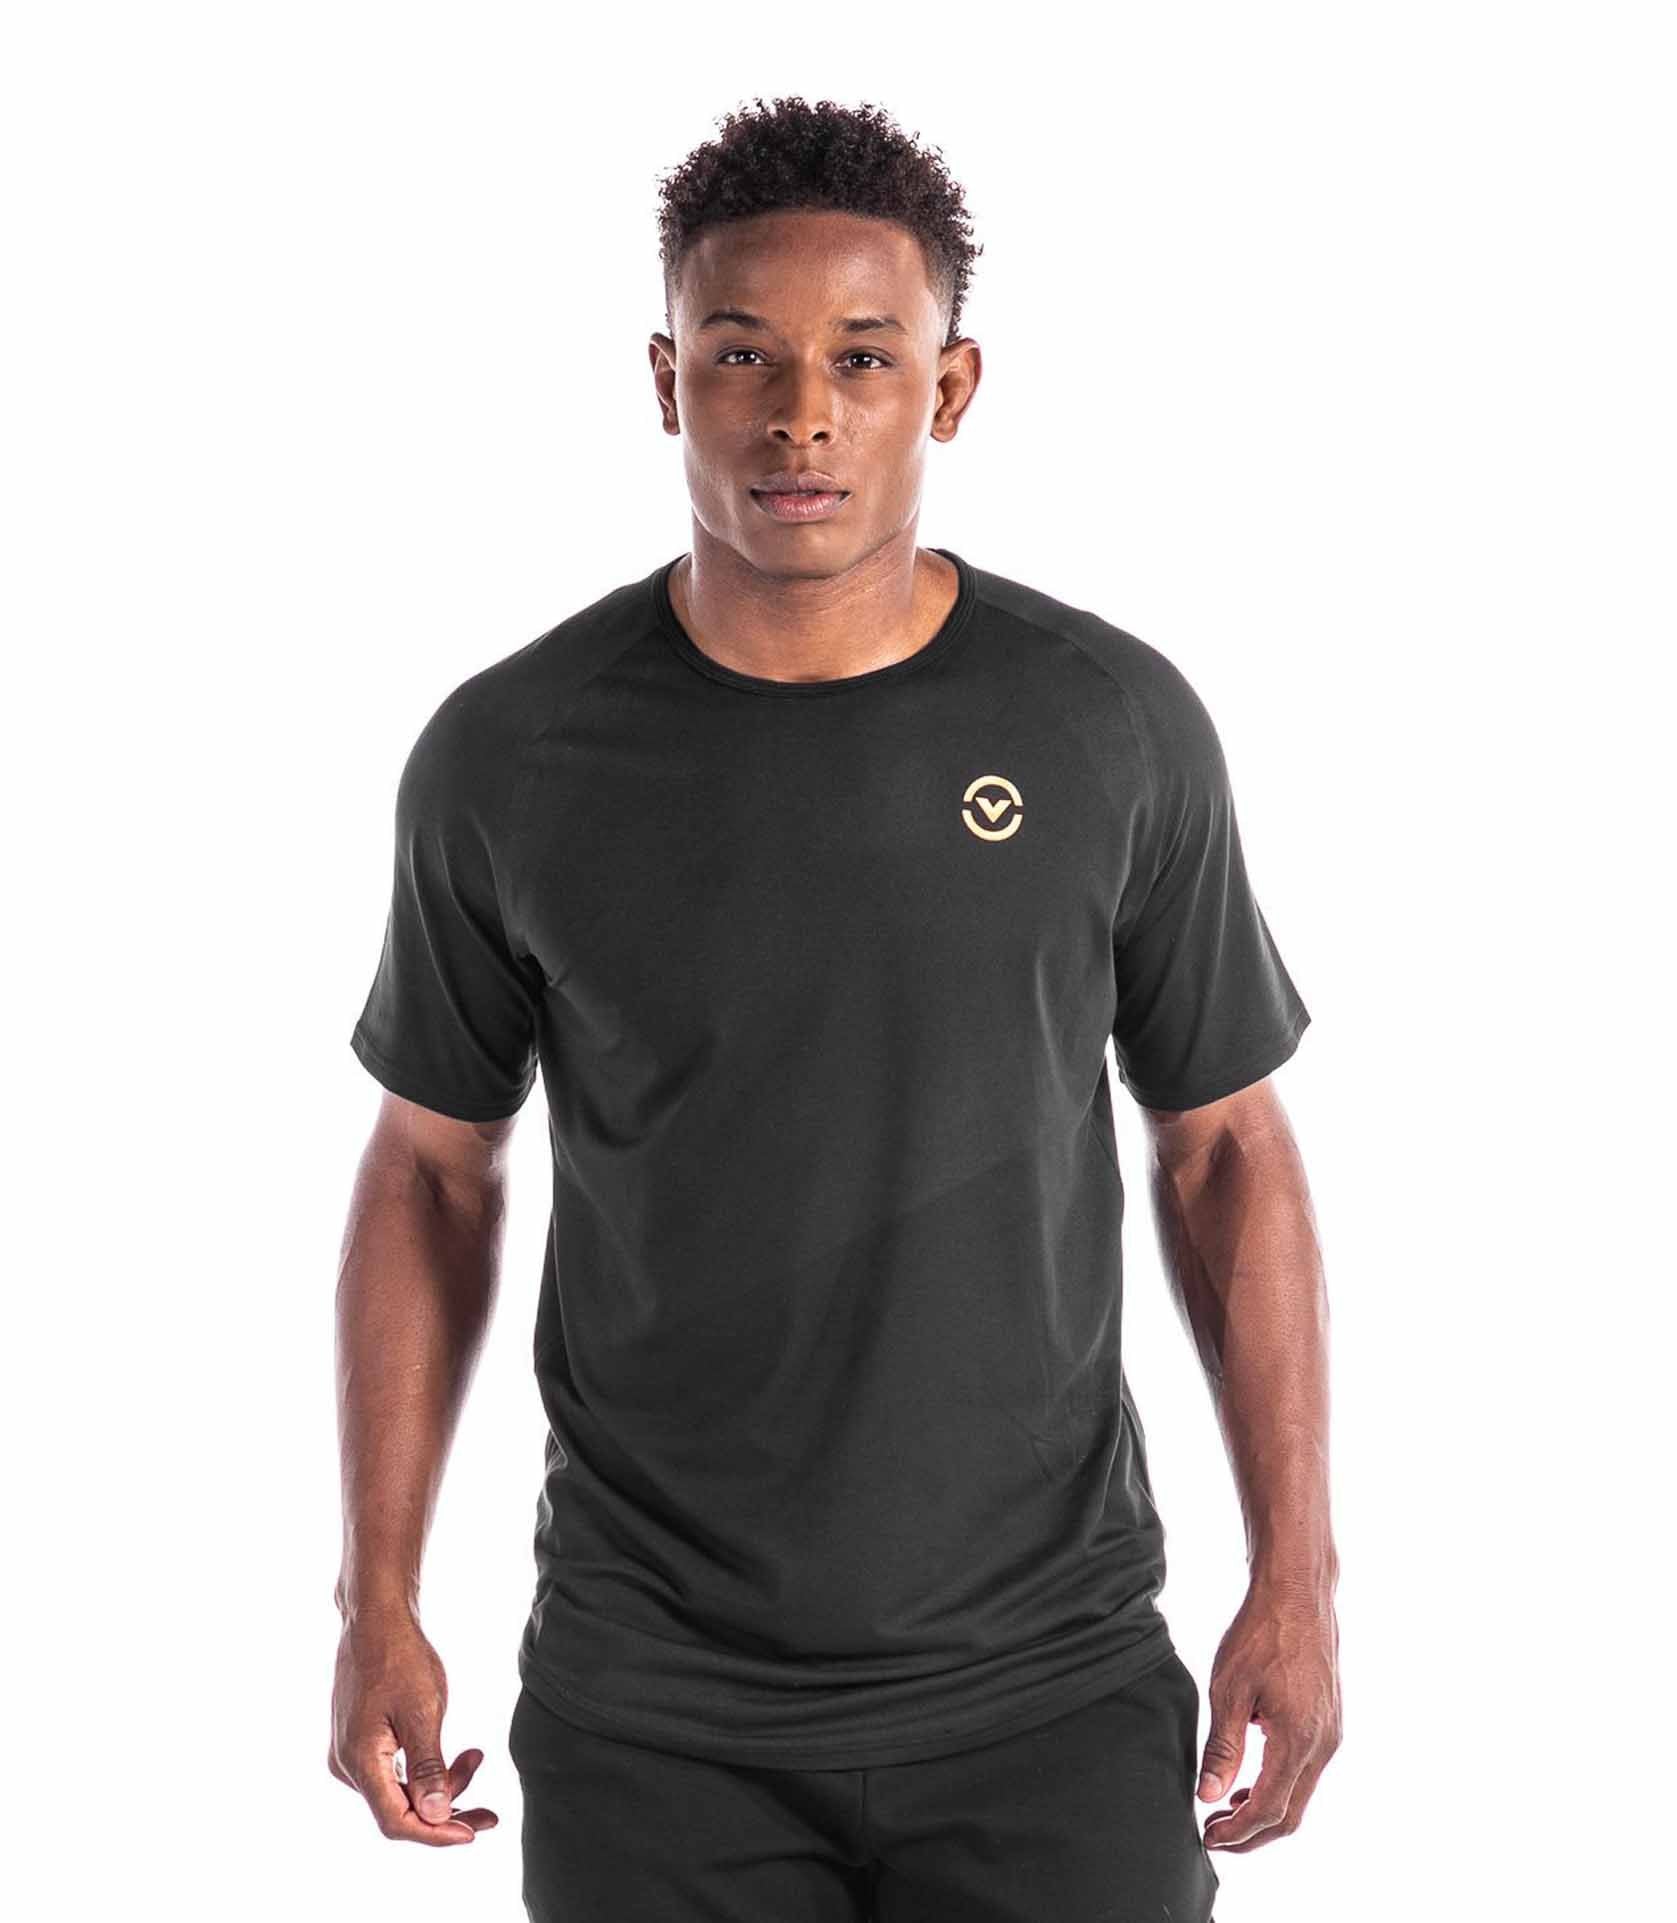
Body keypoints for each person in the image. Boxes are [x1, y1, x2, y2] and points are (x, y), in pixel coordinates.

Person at [329, 94, 1341, 1922]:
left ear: (947, 389)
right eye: (742, 354)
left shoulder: (1107, 724)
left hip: (1048, 1687)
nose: (801, 413)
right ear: (666, 382)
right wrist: (376, 1595)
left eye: (862, 359)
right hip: (655, 1711)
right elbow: (428, 1174)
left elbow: (1223, 1153)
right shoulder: (509, 756)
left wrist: (1298, 1581)